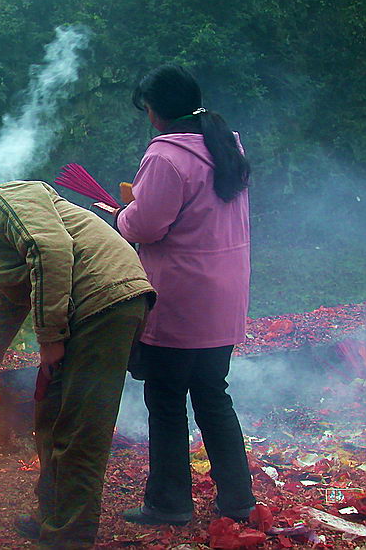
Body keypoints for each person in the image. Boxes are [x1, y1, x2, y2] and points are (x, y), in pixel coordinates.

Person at [0, 154, 156, 549]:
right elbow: (7, 304)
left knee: (81, 427)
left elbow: (48, 251)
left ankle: (69, 536)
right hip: (87, 307)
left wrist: (49, 337)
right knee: (50, 417)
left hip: (105, 302)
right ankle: (54, 515)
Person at [116, 64, 256, 526]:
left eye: (148, 108)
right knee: (214, 394)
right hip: (224, 295)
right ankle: (238, 501)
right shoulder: (226, 143)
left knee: (168, 398)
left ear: (157, 111)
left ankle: (169, 503)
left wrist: (120, 215)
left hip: (180, 295)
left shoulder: (165, 157)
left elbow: (148, 225)